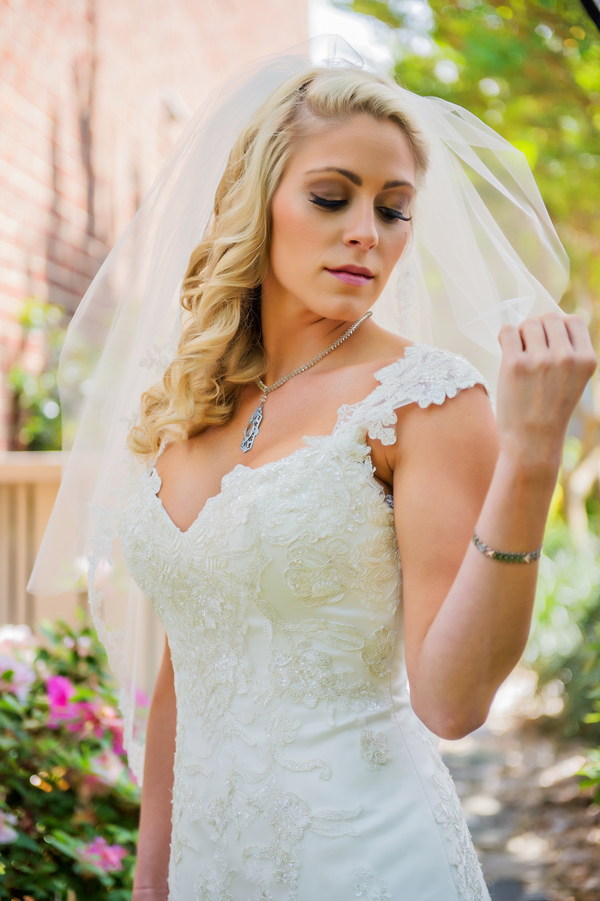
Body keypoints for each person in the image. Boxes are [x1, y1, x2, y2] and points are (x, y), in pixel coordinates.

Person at [28, 39, 596, 901]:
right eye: (332, 197)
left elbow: (452, 702)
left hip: (369, 862)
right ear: (258, 205)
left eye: (394, 209)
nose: (366, 232)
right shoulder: (187, 398)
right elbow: (195, 647)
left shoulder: (426, 400)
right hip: (212, 866)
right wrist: (153, 876)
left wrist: (531, 457)